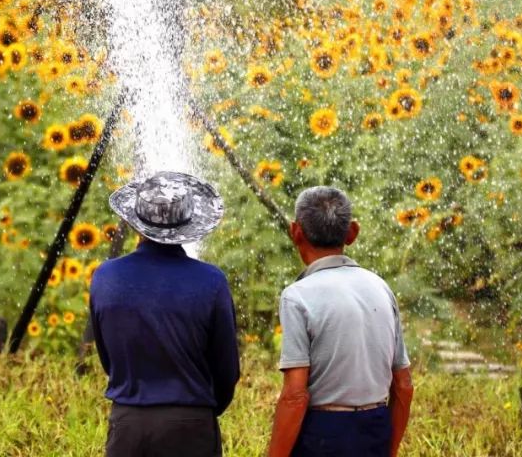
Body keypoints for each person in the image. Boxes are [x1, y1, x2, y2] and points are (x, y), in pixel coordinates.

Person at [90, 171, 240, 457]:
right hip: (191, 426)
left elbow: (107, 357)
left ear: (136, 222)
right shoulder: (211, 281)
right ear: (188, 223)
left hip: (127, 425)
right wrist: (202, 409)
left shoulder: (105, 277)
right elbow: (226, 369)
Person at [267, 186, 414, 457]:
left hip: (323, 435)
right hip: (376, 426)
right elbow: (403, 386)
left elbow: (295, 395)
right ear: (352, 233)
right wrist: (388, 449)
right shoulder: (380, 287)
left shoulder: (297, 296)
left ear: (295, 231)